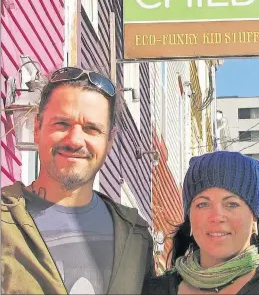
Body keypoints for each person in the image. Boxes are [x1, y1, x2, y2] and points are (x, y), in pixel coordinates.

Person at [2, 67, 154, 295]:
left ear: (110, 140)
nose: (74, 140)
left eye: (91, 129)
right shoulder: (5, 222)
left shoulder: (136, 237)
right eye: (61, 124)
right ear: (36, 128)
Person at [142, 151, 259, 295]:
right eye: (203, 204)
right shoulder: (157, 289)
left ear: (255, 218)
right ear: (190, 219)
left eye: (231, 204)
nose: (217, 216)